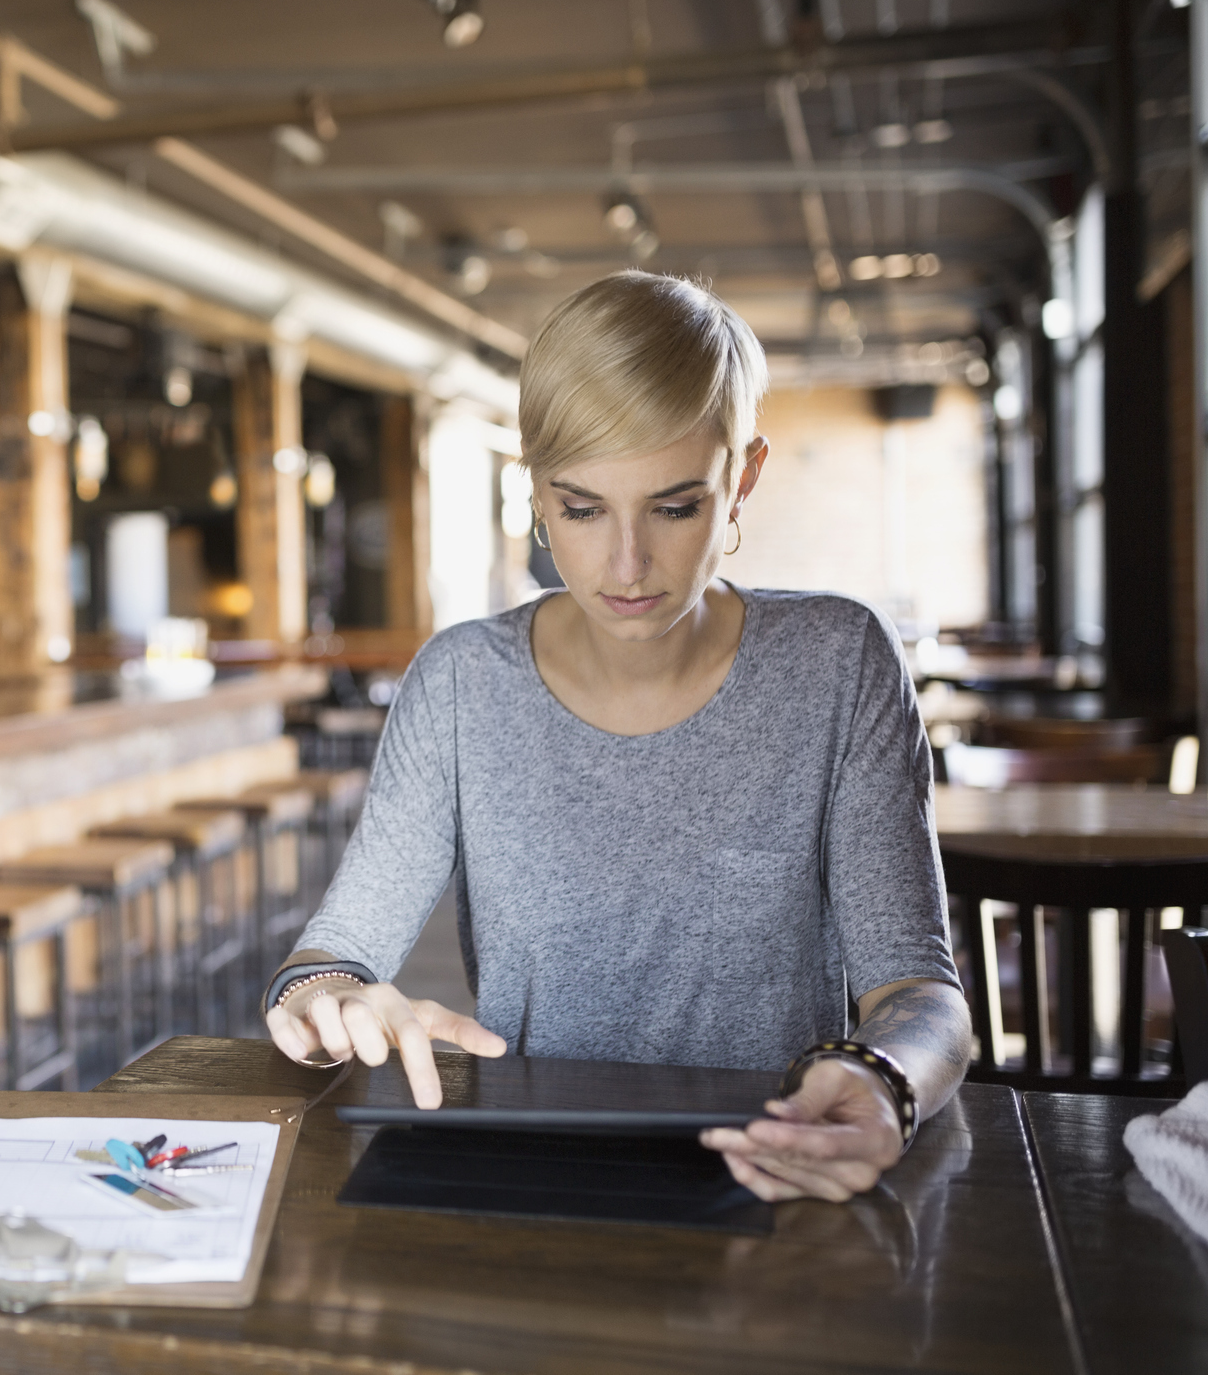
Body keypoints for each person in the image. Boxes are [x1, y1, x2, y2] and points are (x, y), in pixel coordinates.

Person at [263, 270, 973, 1204]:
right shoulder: (460, 685)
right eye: (582, 509)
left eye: (675, 507)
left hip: (780, 1171)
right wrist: (325, 1002)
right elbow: (330, 958)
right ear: (535, 496)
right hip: (536, 1173)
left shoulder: (838, 664)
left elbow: (917, 990)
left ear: (742, 479)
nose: (626, 565)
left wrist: (883, 1081)